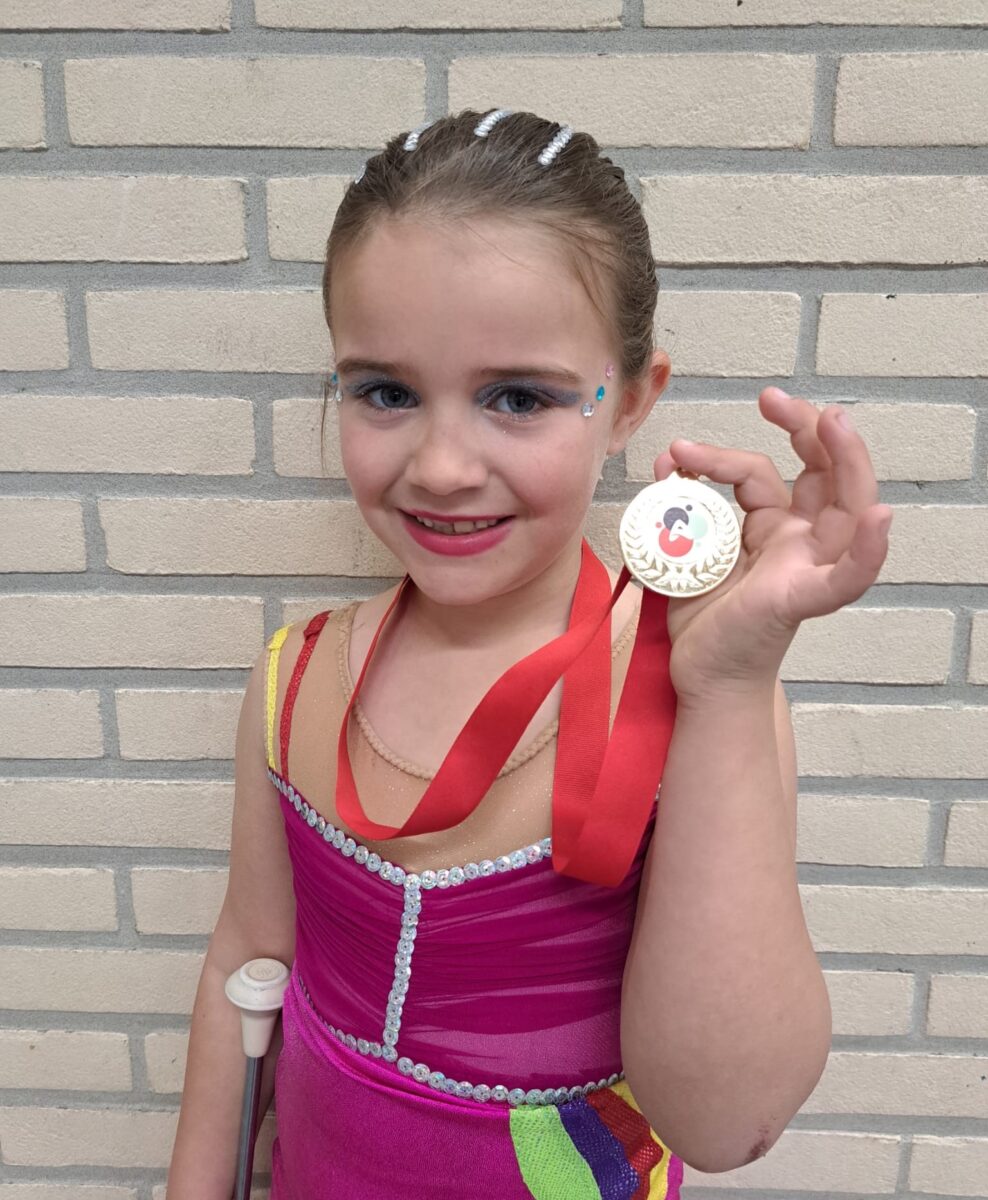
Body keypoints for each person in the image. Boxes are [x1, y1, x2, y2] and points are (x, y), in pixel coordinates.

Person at [166, 108, 892, 1199]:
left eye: (517, 398)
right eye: (385, 392)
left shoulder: (698, 698)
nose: (442, 465)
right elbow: (246, 963)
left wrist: (733, 689)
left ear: (630, 402)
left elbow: (725, 1122)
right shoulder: (293, 678)